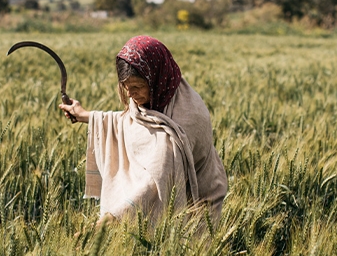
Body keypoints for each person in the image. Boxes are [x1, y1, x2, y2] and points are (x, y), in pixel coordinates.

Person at [59, 35, 228, 226]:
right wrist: (85, 115)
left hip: (196, 213)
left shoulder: (184, 123)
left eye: (137, 87)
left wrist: (111, 220)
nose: (130, 94)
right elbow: (126, 123)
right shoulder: (161, 95)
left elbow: (155, 184)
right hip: (158, 209)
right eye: (125, 86)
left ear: (157, 80)